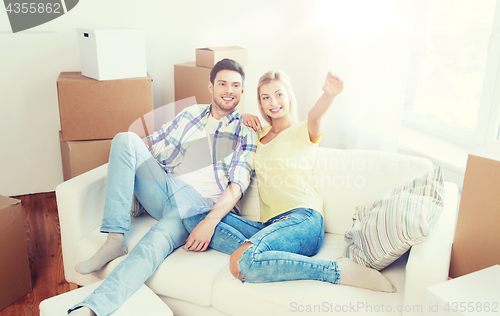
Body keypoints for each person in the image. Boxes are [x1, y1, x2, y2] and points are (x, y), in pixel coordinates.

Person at [68, 59, 258, 316]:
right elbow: (153, 142)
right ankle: (115, 237)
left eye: (236, 85)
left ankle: (91, 308)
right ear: (210, 87)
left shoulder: (244, 131)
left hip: (196, 207)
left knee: (150, 246)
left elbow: (238, 184)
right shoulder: (191, 114)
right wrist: (132, 162)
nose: (229, 90)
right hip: (164, 186)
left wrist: (209, 222)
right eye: (222, 83)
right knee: (125, 139)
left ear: (242, 91)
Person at [182, 70, 395, 292]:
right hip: (270, 226)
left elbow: (315, 115)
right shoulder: (257, 133)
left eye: (279, 94)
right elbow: (221, 130)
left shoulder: (304, 130)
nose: (273, 102)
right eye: (265, 98)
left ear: (288, 96)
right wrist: (240, 115)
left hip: (303, 219)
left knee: (244, 262)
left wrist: (329, 95)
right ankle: (265, 254)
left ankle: (336, 271)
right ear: (261, 104)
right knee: (193, 216)